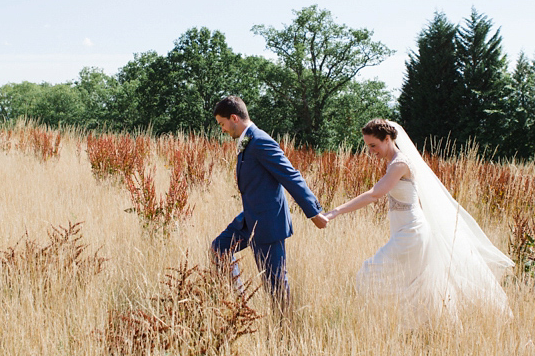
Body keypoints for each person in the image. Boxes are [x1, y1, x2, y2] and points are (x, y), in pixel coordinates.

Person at [324, 118, 513, 329]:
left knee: (369, 273)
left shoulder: (400, 163)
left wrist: (335, 212)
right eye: (368, 146)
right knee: (414, 284)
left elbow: (374, 194)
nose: (370, 151)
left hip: (411, 233)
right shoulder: (393, 162)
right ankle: (420, 331)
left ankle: (391, 326)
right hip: (406, 231)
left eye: (373, 146)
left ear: (387, 139)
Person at [211, 96, 328, 311]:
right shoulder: (248, 140)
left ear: (234, 118)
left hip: (268, 223)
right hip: (248, 220)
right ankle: (241, 308)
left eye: (222, 124)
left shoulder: (260, 140)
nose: (222, 130)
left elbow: (290, 175)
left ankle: (284, 331)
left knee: (275, 284)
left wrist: (314, 212)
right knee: (219, 248)